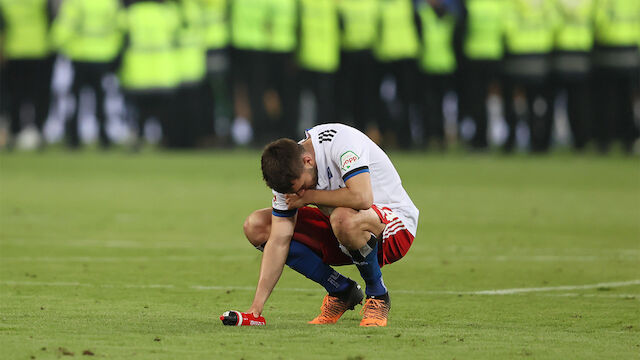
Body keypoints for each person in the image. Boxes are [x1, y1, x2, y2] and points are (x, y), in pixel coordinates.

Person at [242, 123, 419, 327]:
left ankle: (377, 295)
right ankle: (341, 290)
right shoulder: (287, 172)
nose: (298, 194)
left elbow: (363, 197)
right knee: (257, 225)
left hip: (393, 230)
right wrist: (256, 309)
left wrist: (310, 195)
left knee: (343, 218)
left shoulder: (341, 142)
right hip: (341, 232)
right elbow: (279, 240)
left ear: (307, 160)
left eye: (301, 188)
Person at [52, 0, 124, 149]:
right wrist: (113, 51)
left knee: (75, 98)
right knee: (100, 98)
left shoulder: (76, 3)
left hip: (80, 55)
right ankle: (104, 137)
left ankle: (73, 138)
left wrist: (57, 45)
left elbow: (64, 27)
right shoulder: (109, 3)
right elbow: (119, 27)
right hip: (103, 56)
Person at [0, 0, 55, 150]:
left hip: (14, 50)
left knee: (15, 95)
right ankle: (37, 130)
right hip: (39, 49)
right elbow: (52, 19)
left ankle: (15, 131)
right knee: (38, 94)